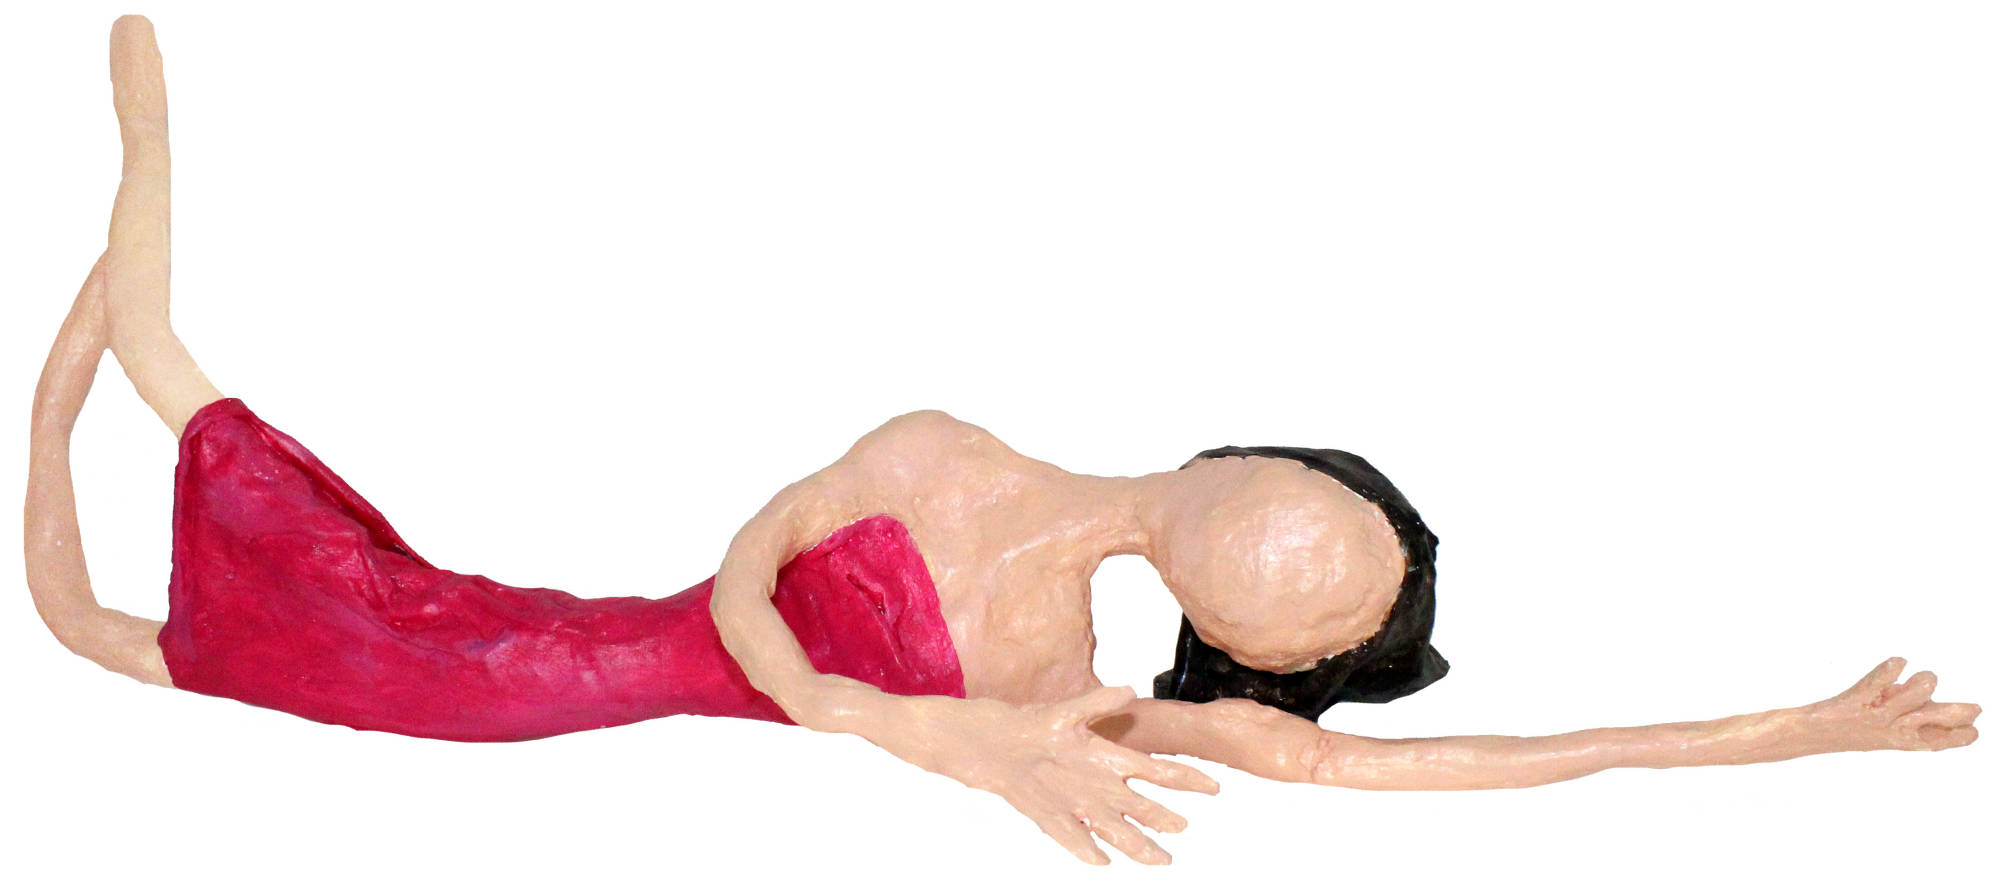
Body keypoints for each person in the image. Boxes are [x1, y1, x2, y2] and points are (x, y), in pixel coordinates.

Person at [25, 16, 1980, 868]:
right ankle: (128, 285)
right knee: (258, 496)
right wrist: (912, 728)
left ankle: (85, 409)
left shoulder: (1087, 705)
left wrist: (1791, 729)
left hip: (582, 684)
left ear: (1270, 647)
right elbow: (740, 587)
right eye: (1325, 519)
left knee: (145, 637)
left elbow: (1464, 766)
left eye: (1314, 601)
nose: (1292, 551)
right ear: (1264, 454)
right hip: (635, 639)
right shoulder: (943, 450)